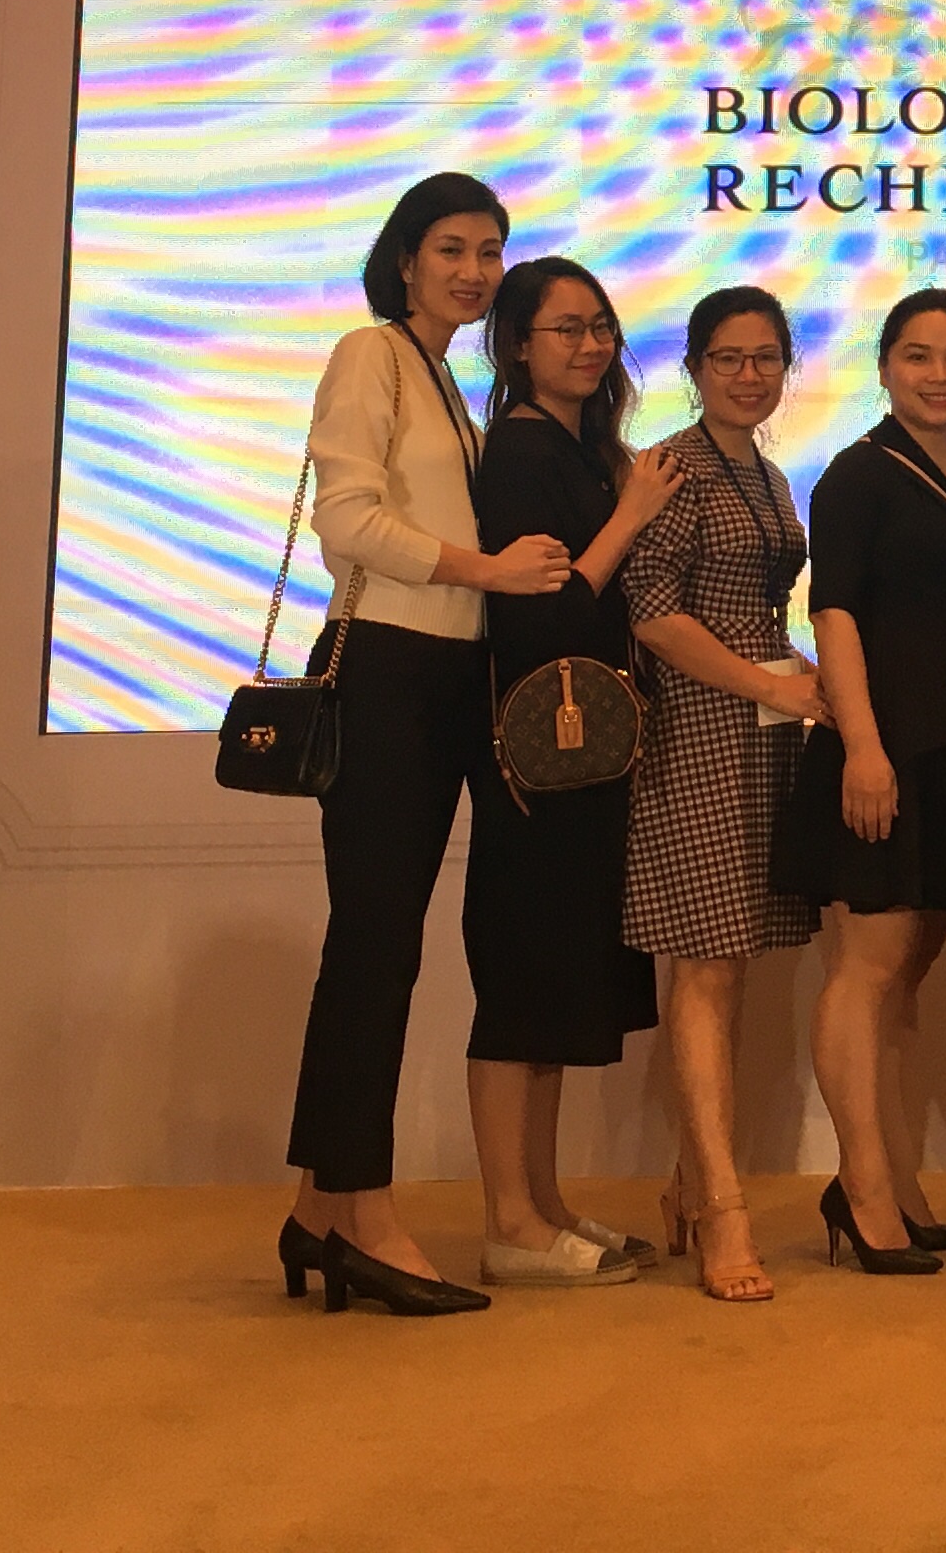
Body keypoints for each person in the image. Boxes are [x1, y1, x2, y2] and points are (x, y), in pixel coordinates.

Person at [281, 172, 550, 1319]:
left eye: (490, 251)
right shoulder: (372, 355)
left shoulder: (445, 377)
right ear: (404, 260)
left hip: (441, 679)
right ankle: (365, 1216)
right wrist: (485, 569)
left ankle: (316, 1210)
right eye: (451, 249)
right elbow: (344, 520)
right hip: (385, 671)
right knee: (376, 948)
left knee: (381, 946)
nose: (474, 271)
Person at [462, 254, 683, 1289]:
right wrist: (630, 515)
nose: (591, 345)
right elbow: (542, 614)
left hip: (584, 756)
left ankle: (541, 1207)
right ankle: (508, 1219)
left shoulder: (581, 450)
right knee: (520, 989)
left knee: (553, 988)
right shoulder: (518, 452)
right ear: (517, 346)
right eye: (566, 329)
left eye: (601, 327)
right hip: (535, 761)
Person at [787, 288, 946, 1272]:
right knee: (866, 972)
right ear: (883, 368)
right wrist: (863, 749)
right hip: (882, 749)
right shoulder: (857, 474)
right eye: (918, 356)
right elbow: (834, 614)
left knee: (904, 976)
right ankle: (863, 1191)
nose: (938, 375)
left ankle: (899, 1184)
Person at [623, 285, 825, 1302]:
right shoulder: (671, 466)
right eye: (728, 358)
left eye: (765, 358)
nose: (749, 376)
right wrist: (768, 682)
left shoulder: (768, 471)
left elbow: (758, 609)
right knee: (706, 966)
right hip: (696, 730)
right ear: (694, 367)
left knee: (732, 966)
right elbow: (653, 614)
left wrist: (804, 679)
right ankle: (723, 1208)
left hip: (764, 727)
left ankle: (686, 1185)